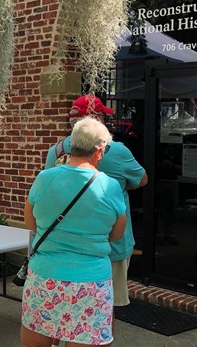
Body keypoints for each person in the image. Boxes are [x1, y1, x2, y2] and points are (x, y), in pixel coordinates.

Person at [22, 117, 127, 347]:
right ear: (99, 151)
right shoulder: (110, 187)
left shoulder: (44, 179)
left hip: (45, 278)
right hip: (90, 283)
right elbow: (117, 234)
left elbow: (31, 223)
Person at [44, 95, 148, 316]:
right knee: (105, 308)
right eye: (103, 117)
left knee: (64, 305)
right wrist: (118, 187)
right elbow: (142, 180)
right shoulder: (116, 151)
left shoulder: (55, 152)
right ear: (95, 120)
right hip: (108, 245)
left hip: (64, 244)